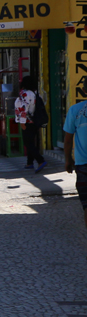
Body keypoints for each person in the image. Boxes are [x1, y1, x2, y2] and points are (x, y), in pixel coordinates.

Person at [15, 76, 46, 171]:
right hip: (33, 121)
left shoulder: (25, 94)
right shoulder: (34, 93)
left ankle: (40, 160)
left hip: (27, 121)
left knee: (28, 143)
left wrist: (22, 122)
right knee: (31, 142)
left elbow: (24, 108)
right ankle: (29, 162)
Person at [64, 98, 87, 229]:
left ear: (84, 90)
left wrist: (68, 160)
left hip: (83, 165)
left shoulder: (75, 110)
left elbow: (68, 140)